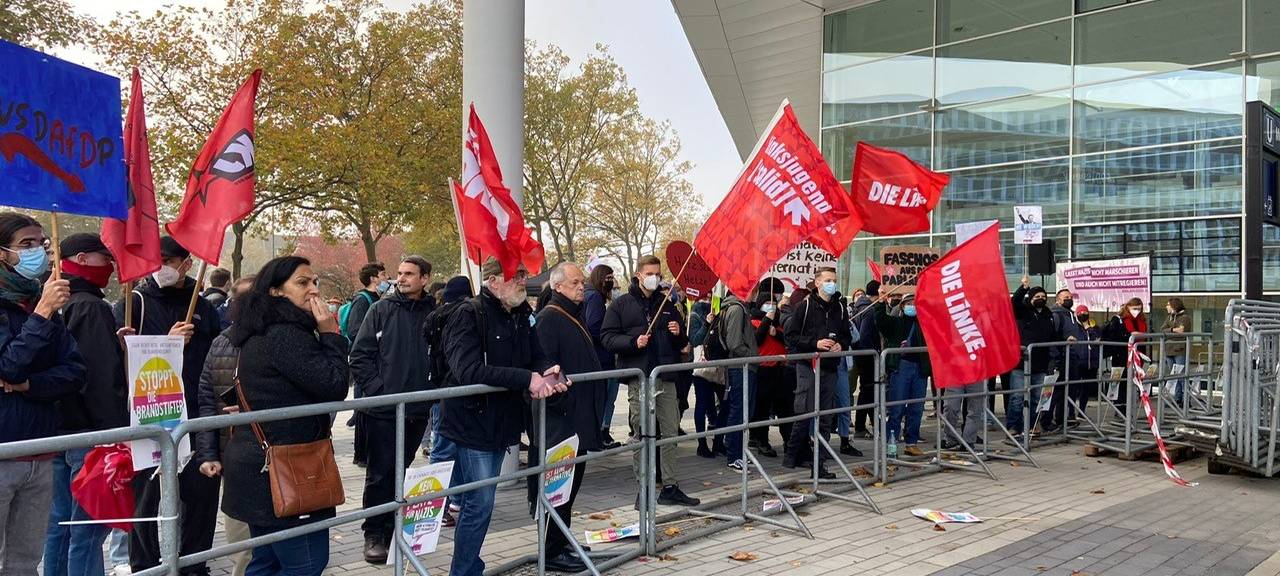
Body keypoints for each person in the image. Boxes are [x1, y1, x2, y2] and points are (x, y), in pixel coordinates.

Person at [221, 256, 349, 576]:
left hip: (264, 465)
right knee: (306, 563)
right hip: (288, 470)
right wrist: (331, 334)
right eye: (302, 283)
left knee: (266, 562)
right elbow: (333, 385)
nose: (313, 290)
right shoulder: (284, 334)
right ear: (276, 291)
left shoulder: (264, 329)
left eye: (315, 281)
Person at [439, 258, 565, 576]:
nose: (524, 280)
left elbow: (536, 355)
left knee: (482, 501)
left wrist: (549, 370)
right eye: (517, 275)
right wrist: (526, 379)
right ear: (494, 281)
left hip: (503, 422)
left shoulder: (522, 314)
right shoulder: (468, 314)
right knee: (479, 503)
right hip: (472, 421)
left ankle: (469, 566)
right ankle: (465, 570)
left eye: (524, 274)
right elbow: (467, 370)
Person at [114, 236, 223, 576]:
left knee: (200, 495)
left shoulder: (202, 305)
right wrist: (165, 344)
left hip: (196, 414)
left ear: (186, 263)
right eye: (153, 258)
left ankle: (194, 564)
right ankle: (144, 565)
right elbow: (122, 365)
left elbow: (216, 356)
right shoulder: (134, 302)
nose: (159, 265)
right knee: (146, 499)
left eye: (166, 259)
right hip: (151, 416)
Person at [0, 213, 84, 576]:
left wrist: (30, 385)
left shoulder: (39, 303)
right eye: (26, 245)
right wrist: (43, 312)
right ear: (3, 254)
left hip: (41, 451)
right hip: (4, 453)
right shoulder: (41, 307)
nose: (39, 252)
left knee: (23, 561)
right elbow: (8, 366)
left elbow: (75, 372)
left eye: (41, 243)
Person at [43, 234, 126, 576]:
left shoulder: (58, 301)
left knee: (59, 524)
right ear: (82, 258)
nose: (111, 264)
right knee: (88, 528)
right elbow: (100, 377)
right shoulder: (90, 306)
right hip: (89, 433)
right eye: (104, 257)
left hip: (60, 428)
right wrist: (117, 431)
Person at [350, 256, 435, 564]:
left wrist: (431, 391)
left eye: (409, 273)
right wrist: (379, 392)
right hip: (383, 412)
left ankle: (393, 525)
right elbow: (359, 356)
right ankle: (374, 532)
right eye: (399, 273)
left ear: (425, 278)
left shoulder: (434, 313)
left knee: (400, 470)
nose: (402, 278)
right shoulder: (380, 309)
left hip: (417, 410)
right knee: (380, 473)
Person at [602, 255, 699, 508]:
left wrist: (679, 335)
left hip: (665, 376)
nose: (655, 277)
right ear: (638, 275)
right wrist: (632, 343)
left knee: (669, 433)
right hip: (639, 378)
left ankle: (670, 486)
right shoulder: (621, 305)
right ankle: (643, 488)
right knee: (643, 433)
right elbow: (607, 337)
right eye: (649, 273)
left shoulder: (667, 304)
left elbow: (683, 343)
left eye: (657, 273)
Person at [529, 263, 603, 573]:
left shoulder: (571, 313)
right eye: (574, 282)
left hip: (576, 414)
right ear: (558, 286)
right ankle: (553, 549)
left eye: (581, 282)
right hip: (562, 418)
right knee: (559, 485)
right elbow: (545, 364)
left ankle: (561, 539)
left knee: (570, 484)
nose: (580, 287)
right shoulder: (550, 318)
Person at [195, 274, 255, 576]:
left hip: (271, 454)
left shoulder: (280, 340)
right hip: (232, 455)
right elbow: (207, 403)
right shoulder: (220, 343)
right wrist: (208, 454)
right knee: (242, 542)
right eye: (239, 300)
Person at [782, 268, 851, 477]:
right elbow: (791, 337)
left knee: (825, 418)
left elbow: (846, 335)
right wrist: (815, 343)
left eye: (834, 280)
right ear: (818, 283)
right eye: (828, 280)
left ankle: (818, 465)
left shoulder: (840, 307)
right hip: (807, 365)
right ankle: (791, 457)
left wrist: (841, 345)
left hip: (830, 367)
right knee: (805, 413)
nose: (832, 284)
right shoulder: (805, 306)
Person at [874, 293, 930, 457]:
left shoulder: (924, 325)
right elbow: (881, 321)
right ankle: (891, 445)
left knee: (916, 408)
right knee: (897, 408)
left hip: (920, 369)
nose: (912, 306)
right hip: (901, 368)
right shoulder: (896, 323)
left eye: (915, 303)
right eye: (908, 303)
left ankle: (911, 443)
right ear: (903, 306)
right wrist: (881, 302)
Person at [1008, 276, 1058, 436]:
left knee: (1037, 397)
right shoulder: (1023, 311)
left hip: (1041, 364)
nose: (1041, 299)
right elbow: (1014, 303)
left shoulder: (1049, 315)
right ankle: (1014, 426)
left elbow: (1053, 337)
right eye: (1037, 297)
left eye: (1043, 297)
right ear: (1030, 298)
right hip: (1021, 363)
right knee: (1017, 397)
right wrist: (1023, 288)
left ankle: (1032, 425)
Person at [583, 265, 621, 450]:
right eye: (608, 277)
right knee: (604, 398)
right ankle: (600, 435)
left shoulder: (590, 295)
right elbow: (595, 326)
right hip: (602, 357)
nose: (611, 281)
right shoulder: (595, 298)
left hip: (598, 357)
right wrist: (611, 336)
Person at [719, 287, 758, 472]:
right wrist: (751, 355)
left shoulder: (740, 308)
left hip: (744, 365)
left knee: (744, 411)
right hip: (740, 366)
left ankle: (738, 451)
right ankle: (733, 455)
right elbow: (734, 342)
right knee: (739, 410)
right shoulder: (736, 309)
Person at [748, 292, 790, 458]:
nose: (771, 305)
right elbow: (756, 340)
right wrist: (766, 321)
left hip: (779, 369)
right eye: (767, 302)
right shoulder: (754, 321)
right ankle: (761, 440)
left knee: (783, 407)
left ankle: (788, 441)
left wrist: (776, 333)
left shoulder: (778, 322)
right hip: (763, 369)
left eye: (773, 302)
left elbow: (786, 339)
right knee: (762, 408)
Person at [1047, 290, 1088, 432]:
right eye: (1066, 298)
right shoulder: (1056, 314)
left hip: (1072, 357)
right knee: (1055, 390)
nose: (1069, 299)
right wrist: (1060, 349)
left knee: (1069, 389)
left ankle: (1062, 419)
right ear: (1058, 299)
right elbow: (1052, 336)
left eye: (1070, 297)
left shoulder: (1070, 314)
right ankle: (1046, 420)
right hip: (1060, 357)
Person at [1102, 297, 1149, 415]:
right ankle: (1120, 409)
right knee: (1121, 383)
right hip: (1121, 356)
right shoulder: (1119, 320)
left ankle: (1128, 407)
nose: (1137, 311)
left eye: (1139, 309)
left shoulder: (1141, 321)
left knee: (1132, 382)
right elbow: (1115, 336)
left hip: (1136, 355)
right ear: (1128, 307)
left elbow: (1144, 336)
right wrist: (1130, 335)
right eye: (1134, 308)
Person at [688, 299, 722, 458]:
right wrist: (706, 324)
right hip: (702, 367)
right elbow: (694, 340)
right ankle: (702, 444)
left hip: (718, 363)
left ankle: (719, 441)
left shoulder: (719, 309)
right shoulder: (695, 314)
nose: (708, 296)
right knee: (702, 403)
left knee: (724, 404)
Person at [851, 281, 880, 439]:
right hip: (867, 355)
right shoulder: (869, 309)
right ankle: (860, 426)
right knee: (867, 390)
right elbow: (865, 335)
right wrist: (873, 352)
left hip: (863, 355)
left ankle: (870, 423)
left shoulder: (860, 306)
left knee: (868, 390)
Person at [1161, 298, 1192, 404]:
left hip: (1179, 349)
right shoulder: (1169, 317)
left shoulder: (1185, 317)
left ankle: (1186, 399)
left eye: (1168, 305)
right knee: (1173, 375)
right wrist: (1173, 330)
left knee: (1182, 375)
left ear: (1174, 306)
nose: (1166, 307)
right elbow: (1162, 330)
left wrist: (1170, 331)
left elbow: (1182, 331)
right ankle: (1178, 398)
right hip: (1169, 349)